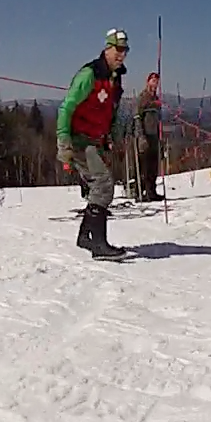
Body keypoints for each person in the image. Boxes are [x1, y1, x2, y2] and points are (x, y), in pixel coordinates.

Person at [56, 29, 131, 261]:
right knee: (103, 183)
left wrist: (111, 137)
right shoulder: (89, 74)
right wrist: (63, 140)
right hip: (79, 138)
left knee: (101, 183)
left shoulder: (115, 78)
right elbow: (66, 107)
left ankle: (86, 236)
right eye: (117, 50)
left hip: (95, 138)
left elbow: (111, 112)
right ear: (107, 49)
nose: (121, 55)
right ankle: (98, 244)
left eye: (125, 51)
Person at [134, 71, 164, 202]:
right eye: (153, 81)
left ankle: (152, 191)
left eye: (157, 81)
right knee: (144, 165)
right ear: (148, 82)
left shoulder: (156, 99)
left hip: (154, 135)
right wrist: (141, 135)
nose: (155, 84)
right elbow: (137, 117)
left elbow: (158, 118)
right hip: (144, 135)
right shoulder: (143, 97)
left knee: (153, 164)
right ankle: (141, 191)